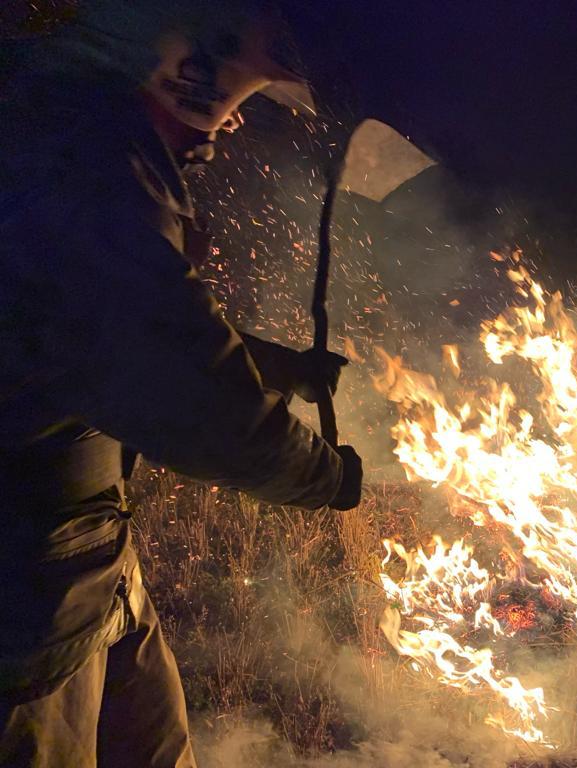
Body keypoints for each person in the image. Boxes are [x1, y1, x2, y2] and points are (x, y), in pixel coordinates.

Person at [0, 2, 362, 765]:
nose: (228, 131)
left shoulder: (80, 134)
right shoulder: (78, 159)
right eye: (232, 106)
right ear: (183, 67)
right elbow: (194, 403)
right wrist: (326, 477)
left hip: (89, 559)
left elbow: (128, 330)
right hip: (24, 589)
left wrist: (278, 366)